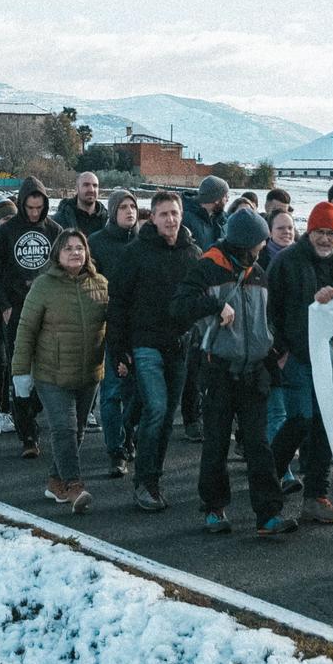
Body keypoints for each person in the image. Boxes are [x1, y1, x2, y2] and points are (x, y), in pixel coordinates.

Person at [171, 207, 296, 538]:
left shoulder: (258, 272)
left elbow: (268, 319)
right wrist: (214, 306)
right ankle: (214, 509)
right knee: (215, 444)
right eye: (258, 243)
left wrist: (274, 350)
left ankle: (268, 515)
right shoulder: (208, 266)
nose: (261, 249)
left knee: (258, 445)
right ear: (246, 243)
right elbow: (180, 307)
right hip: (218, 370)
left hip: (254, 371)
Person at [107, 190, 198, 513]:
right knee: (156, 409)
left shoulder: (192, 253)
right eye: (163, 214)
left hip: (179, 346)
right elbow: (117, 302)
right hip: (145, 344)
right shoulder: (136, 253)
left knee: (165, 415)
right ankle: (144, 482)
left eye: (174, 213)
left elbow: (200, 300)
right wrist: (118, 350)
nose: (170, 220)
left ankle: (154, 478)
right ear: (153, 217)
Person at [12, 228, 110, 512]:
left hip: (89, 372)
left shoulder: (100, 284)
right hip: (51, 373)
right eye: (68, 248)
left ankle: (55, 482)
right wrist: (21, 372)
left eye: (79, 247)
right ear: (57, 253)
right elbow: (26, 329)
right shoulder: (43, 286)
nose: (75, 252)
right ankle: (74, 486)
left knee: (77, 430)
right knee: (64, 429)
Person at [268, 200, 333, 525]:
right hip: (297, 355)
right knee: (300, 419)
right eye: (320, 232)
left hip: (330, 357)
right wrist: (280, 351)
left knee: (325, 426)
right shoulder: (287, 262)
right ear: (310, 231)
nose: (325, 239)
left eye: (331, 233)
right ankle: (268, 476)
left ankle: (316, 495)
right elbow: (270, 308)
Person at [0, 178, 60, 459]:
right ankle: (27, 435)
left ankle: (34, 413)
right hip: (16, 311)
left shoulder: (54, 230)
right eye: (29, 207)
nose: (33, 213)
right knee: (20, 376)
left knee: (48, 372)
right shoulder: (7, 232)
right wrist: (4, 306)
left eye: (38, 208)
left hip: (48, 312)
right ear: (21, 204)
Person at [88, 190, 142, 477]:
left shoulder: (145, 242)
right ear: (112, 211)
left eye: (133, 206)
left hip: (140, 328)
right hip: (109, 326)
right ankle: (116, 450)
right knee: (111, 392)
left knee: (137, 391)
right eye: (122, 207)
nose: (129, 211)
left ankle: (128, 434)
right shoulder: (97, 243)